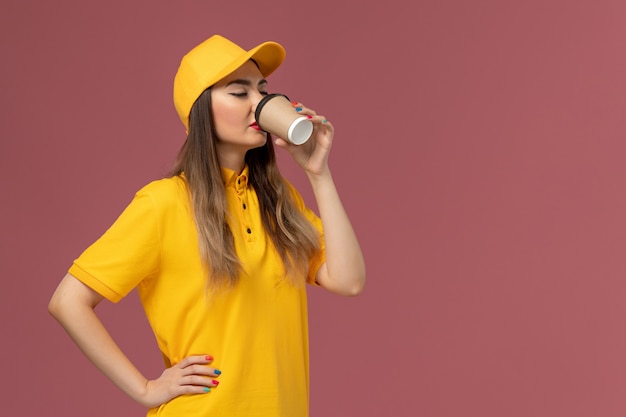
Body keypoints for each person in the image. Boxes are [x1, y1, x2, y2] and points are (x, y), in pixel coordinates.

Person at [48, 34, 366, 416]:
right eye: (239, 92)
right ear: (201, 110)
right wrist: (147, 389)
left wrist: (319, 174)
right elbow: (68, 301)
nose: (260, 103)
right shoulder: (163, 203)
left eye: (263, 90)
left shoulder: (279, 202)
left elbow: (349, 281)